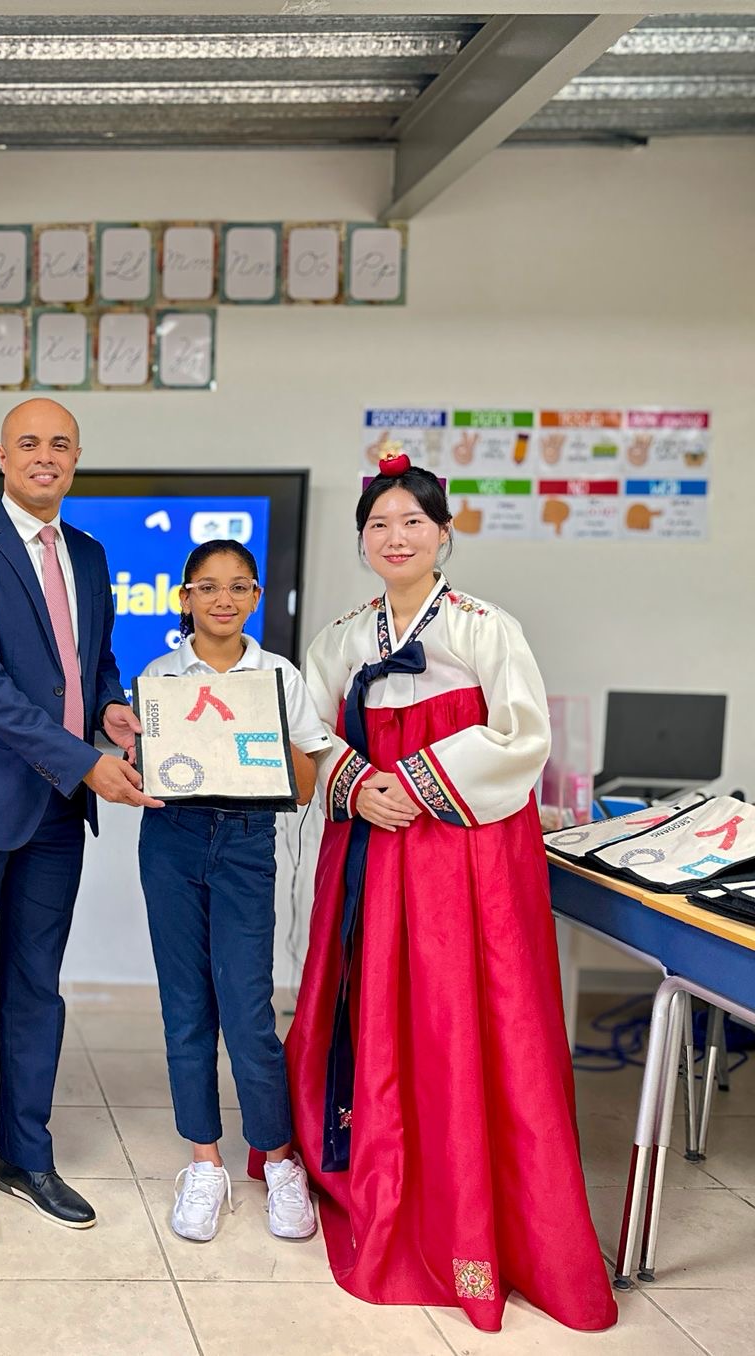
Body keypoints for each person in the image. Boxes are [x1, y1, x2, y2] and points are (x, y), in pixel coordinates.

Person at [284, 451, 617, 1331]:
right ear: (362, 541)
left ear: (444, 534)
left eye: (412, 524)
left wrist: (419, 780)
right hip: (371, 846)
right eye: (379, 526)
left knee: (469, 1014)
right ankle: (380, 1175)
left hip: (463, 859)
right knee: (374, 1008)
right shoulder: (344, 636)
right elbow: (304, 725)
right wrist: (356, 781)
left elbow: (521, 737)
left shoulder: (485, 628)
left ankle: (478, 1216)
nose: (395, 538)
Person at [0, 397, 161, 1248]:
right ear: (2, 456)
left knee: (36, 993)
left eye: (60, 444)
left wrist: (114, 711)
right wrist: (81, 757)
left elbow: (92, 662)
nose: (45, 456)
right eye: (30, 443)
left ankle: (26, 1158)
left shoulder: (90, 554)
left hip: (59, 810)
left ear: (77, 456)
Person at [135, 538, 327, 1245]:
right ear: (184, 597)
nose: (223, 599)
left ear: (255, 596)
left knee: (247, 1011)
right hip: (173, 840)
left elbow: (305, 784)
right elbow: (148, 770)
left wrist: (264, 744)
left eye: (239, 586)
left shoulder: (277, 675)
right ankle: (205, 1162)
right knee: (185, 1008)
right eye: (208, 587)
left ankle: (279, 1163)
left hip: (247, 843)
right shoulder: (159, 675)